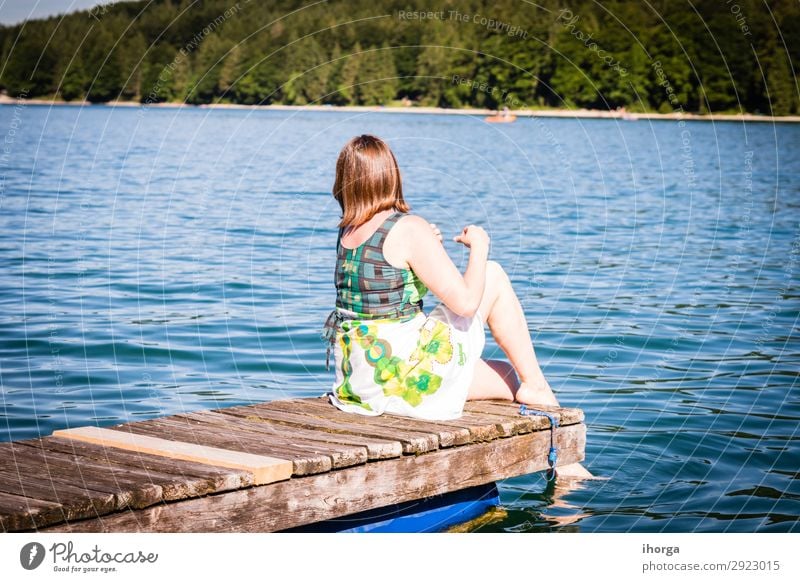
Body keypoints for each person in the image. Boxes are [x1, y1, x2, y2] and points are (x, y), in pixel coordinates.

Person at [322, 134, 592, 478]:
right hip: (405, 382)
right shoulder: (408, 229)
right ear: (391, 175)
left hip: (361, 383)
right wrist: (479, 247)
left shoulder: (348, 231)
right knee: (491, 275)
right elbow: (464, 304)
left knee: (507, 375)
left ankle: (558, 444)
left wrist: (425, 244)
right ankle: (564, 459)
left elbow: (390, 284)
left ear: (345, 181)